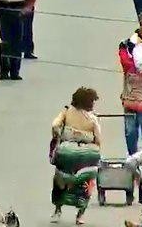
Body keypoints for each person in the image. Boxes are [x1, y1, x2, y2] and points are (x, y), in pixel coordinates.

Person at [50, 87, 102, 225]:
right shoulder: (93, 119)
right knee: (86, 183)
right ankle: (80, 215)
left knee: (61, 180)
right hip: (86, 155)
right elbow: (98, 139)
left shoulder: (67, 111)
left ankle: (57, 210)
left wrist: (58, 136)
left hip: (67, 152)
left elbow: (55, 124)